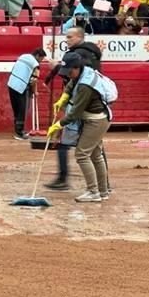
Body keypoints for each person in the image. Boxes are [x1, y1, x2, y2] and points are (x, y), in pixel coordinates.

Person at [47, 51, 113, 202]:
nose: (68, 74)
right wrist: (63, 98)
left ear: (77, 68)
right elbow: (71, 84)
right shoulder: (85, 72)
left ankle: (93, 192)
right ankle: (102, 191)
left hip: (95, 121)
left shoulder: (85, 86)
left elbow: (75, 113)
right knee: (96, 155)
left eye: (70, 71)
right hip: (97, 119)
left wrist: (58, 125)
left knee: (82, 154)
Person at [8, 49, 44, 139]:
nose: (40, 61)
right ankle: (19, 132)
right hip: (21, 87)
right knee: (22, 109)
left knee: (16, 109)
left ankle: (17, 130)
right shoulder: (35, 64)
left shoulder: (22, 56)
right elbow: (34, 80)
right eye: (41, 59)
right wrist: (34, 91)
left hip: (11, 83)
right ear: (37, 56)